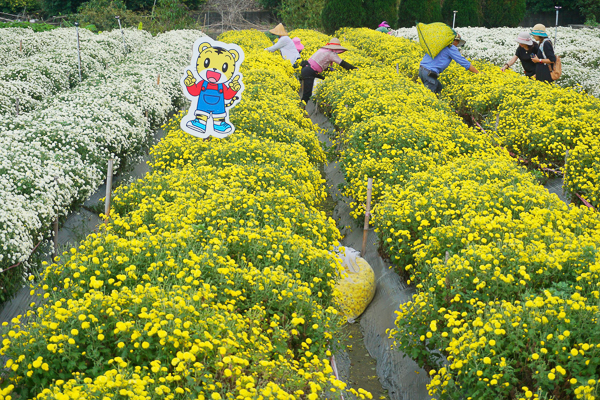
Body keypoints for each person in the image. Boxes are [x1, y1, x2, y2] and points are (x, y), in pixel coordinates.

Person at [300, 38, 357, 104]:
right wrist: (354, 69)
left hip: (308, 68)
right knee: (307, 94)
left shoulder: (323, 50)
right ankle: (302, 111)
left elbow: (320, 63)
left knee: (324, 81)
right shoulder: (331, 54)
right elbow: (342, 63)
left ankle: (319, 99)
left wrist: (331, 69)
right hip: (309, 71)